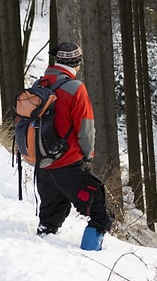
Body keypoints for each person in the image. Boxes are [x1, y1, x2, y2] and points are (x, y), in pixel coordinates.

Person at [35, 42, 112, 250]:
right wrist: (88, 156)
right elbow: (85, 128)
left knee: (50, 217)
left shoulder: (40, 84)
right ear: (76, 63)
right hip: (68, 165)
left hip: (42, 165)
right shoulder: (75, 88)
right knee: (100, 212)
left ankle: (39, 249)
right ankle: (91, 256)